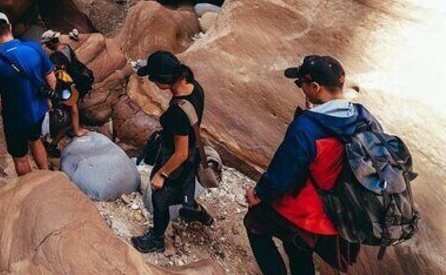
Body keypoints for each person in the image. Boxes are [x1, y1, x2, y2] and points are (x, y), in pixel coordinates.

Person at [244, 55, 378, 274]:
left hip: (310, 213)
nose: (300, 88)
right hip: (344, 211)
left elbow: (282, 173)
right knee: (297, 244)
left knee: (255, 223)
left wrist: (258, 194)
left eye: (301, 84)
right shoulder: (364, 116)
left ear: (315, 87)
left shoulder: (306, 127)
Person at [130, 51, 214, 253]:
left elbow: (180, 153)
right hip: (194, 151)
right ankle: (197, 211)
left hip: (177, 158)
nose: (152, 81)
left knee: (160, 197)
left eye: (153, 78)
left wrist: (162, 174)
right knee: (185, 188)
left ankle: (156, 239)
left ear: (164, 79)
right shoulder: (194, 88)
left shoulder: (177, 113)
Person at [0, 12, 55, 176]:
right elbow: (51, 78)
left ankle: (29, 185)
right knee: (35, 140)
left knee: (20, 157)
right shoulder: (34, 47)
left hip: (14, 118)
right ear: (10, 27)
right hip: (37, 111)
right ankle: (47, 175)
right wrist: (49, 99)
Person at [41, 30, 89, 144]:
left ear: (51, 43)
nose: (47, 47)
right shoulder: (66, 47)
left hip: (66, 85)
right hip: (77, 79)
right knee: (72, 108)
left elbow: (59, 73)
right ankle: (72, 130)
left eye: (47, 44)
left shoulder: (56, 56)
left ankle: (75, 131)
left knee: (72, 108)